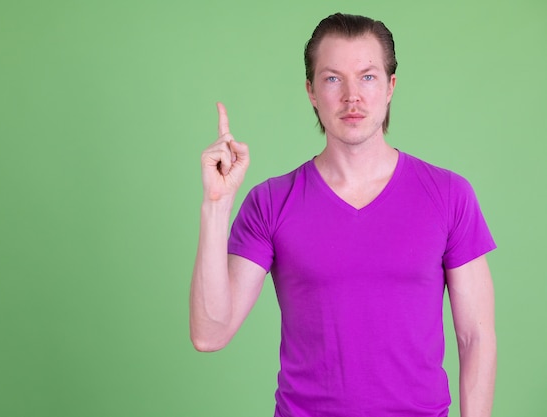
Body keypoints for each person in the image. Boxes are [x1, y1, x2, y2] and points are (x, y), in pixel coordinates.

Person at [190, 12, 496, 417]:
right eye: (333, 78)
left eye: (367, 77)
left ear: (390, 87)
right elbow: (210, 333)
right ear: (311, 91)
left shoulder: (449, 195)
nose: (352, 96)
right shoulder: (271, 202)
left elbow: (475, 337)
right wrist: (217, 204)